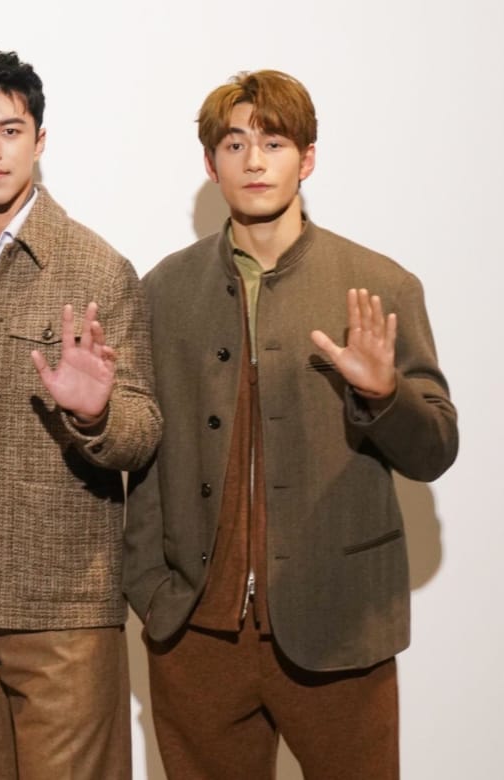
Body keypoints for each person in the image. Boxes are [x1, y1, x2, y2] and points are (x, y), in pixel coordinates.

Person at [124, 69, 458, 779]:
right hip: (196, 635)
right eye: (234, 144)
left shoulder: (380, 285)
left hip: (341, 628)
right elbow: (145, 446)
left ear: (306, 159)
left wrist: (385, 393)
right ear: (210, 163)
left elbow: (435, 450)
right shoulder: (162, 290)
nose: (253, 161)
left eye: (273, 143)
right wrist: (150, 589)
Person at [0, 48, 160, 779]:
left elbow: (144, 431)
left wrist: (98, 414)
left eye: (10, 130)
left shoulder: (97, 268)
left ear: (40, 141)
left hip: (64, 614)